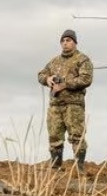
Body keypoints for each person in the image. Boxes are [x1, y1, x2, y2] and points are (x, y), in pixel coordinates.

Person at [37, 29, 93, 170]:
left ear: (75, 42)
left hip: (73, 105)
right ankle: (56, 167)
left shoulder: (82, 59)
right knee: (54, 136)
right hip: (55, 105)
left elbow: (86, 79)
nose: (65, 43)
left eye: (68, 40)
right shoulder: (54, 61)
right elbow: (41, 74)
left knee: (77, 137)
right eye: (63, 40)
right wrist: (48, 79)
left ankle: (79, 169)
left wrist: (65, 84)